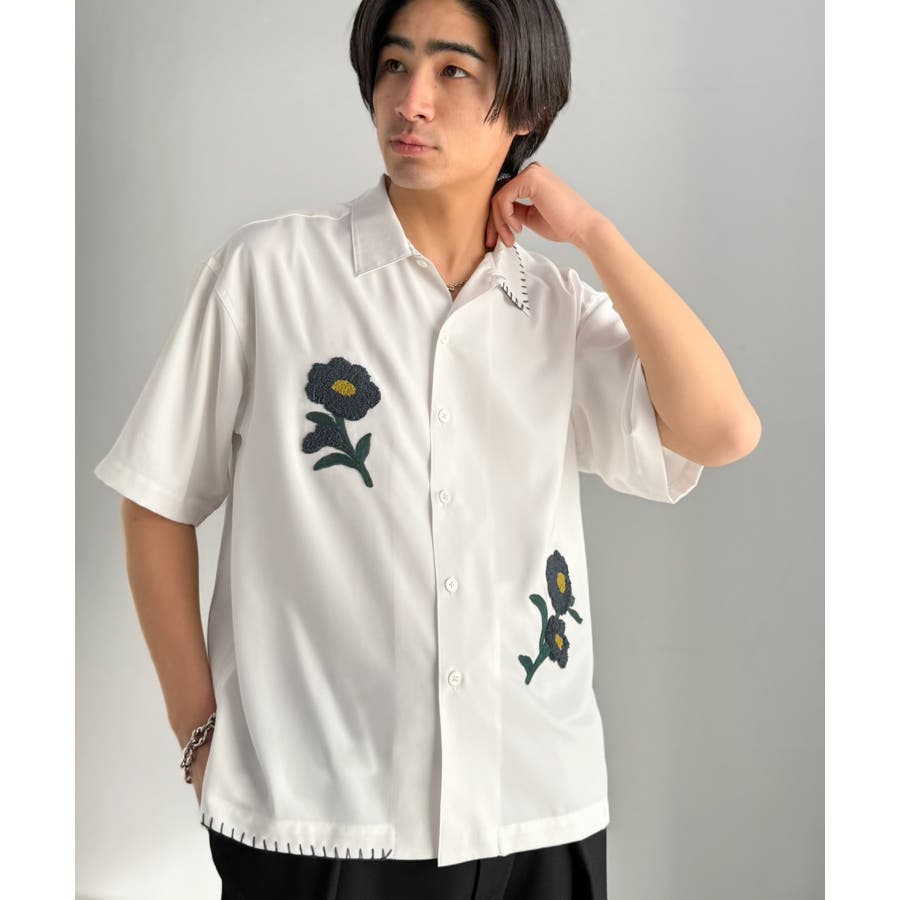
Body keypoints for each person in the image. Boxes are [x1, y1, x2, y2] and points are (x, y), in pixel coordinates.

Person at [93, 0, 761, 897]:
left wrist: (595, 236)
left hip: (535, 812)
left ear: (525, 108)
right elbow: (155, 501)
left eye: (453, 71)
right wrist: (198, 736)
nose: (411, 100)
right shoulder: (269, 274)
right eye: (394, 65)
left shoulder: (552, 310)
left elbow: (722, 430)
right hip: (319, 822)